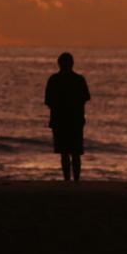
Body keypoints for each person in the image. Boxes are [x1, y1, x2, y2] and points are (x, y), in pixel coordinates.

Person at [44, 52, 90, 182]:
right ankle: (76, 180)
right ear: (72, 64)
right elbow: (84, 99)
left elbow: (48, 101)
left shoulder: (54, 79)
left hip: (60, 120)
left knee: (64, 153)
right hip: (75, 120)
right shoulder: (79, 79)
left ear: (59, 64)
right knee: (75, 153)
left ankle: (67, 180)